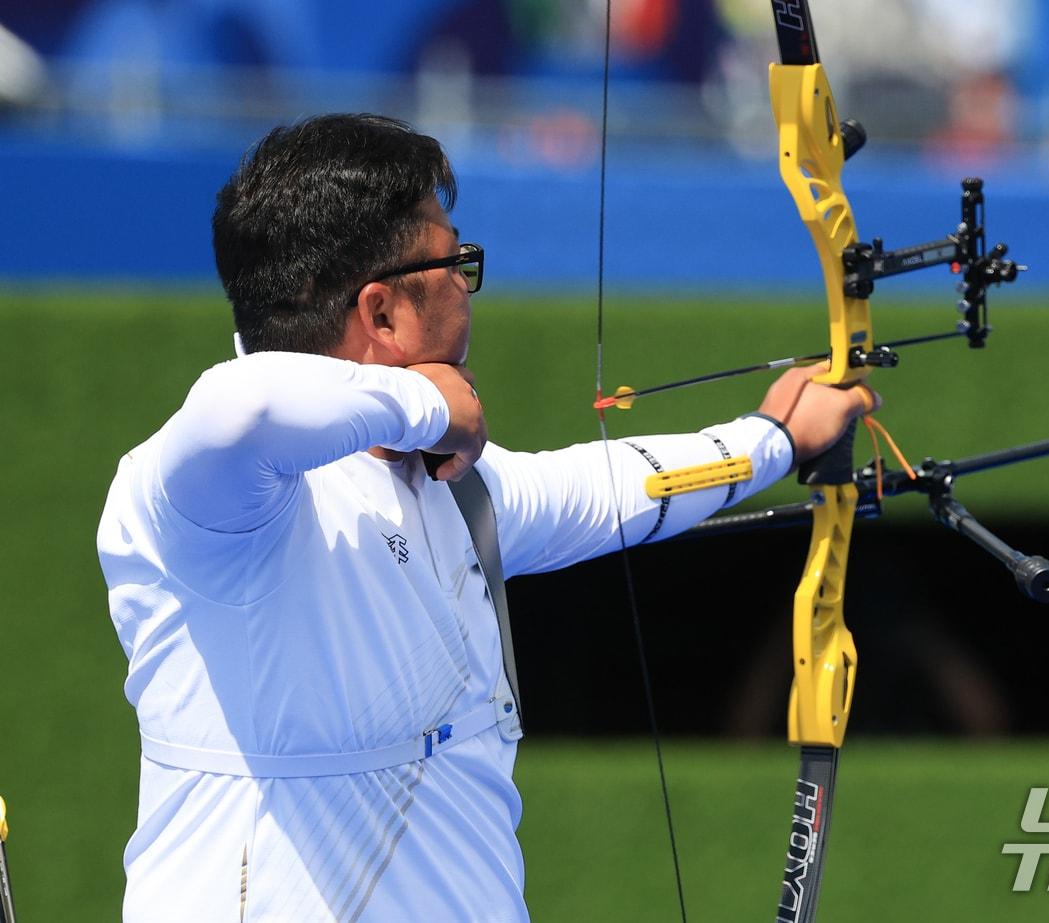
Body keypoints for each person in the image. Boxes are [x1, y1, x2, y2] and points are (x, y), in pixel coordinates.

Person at [96, 113, 874, 922]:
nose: (468, 287)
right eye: (456, 263)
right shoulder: (213, 502)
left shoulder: (457, 490)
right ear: (383, 312)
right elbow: (240, 405)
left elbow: (612, 488)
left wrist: (774, 439)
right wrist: (426, 403)